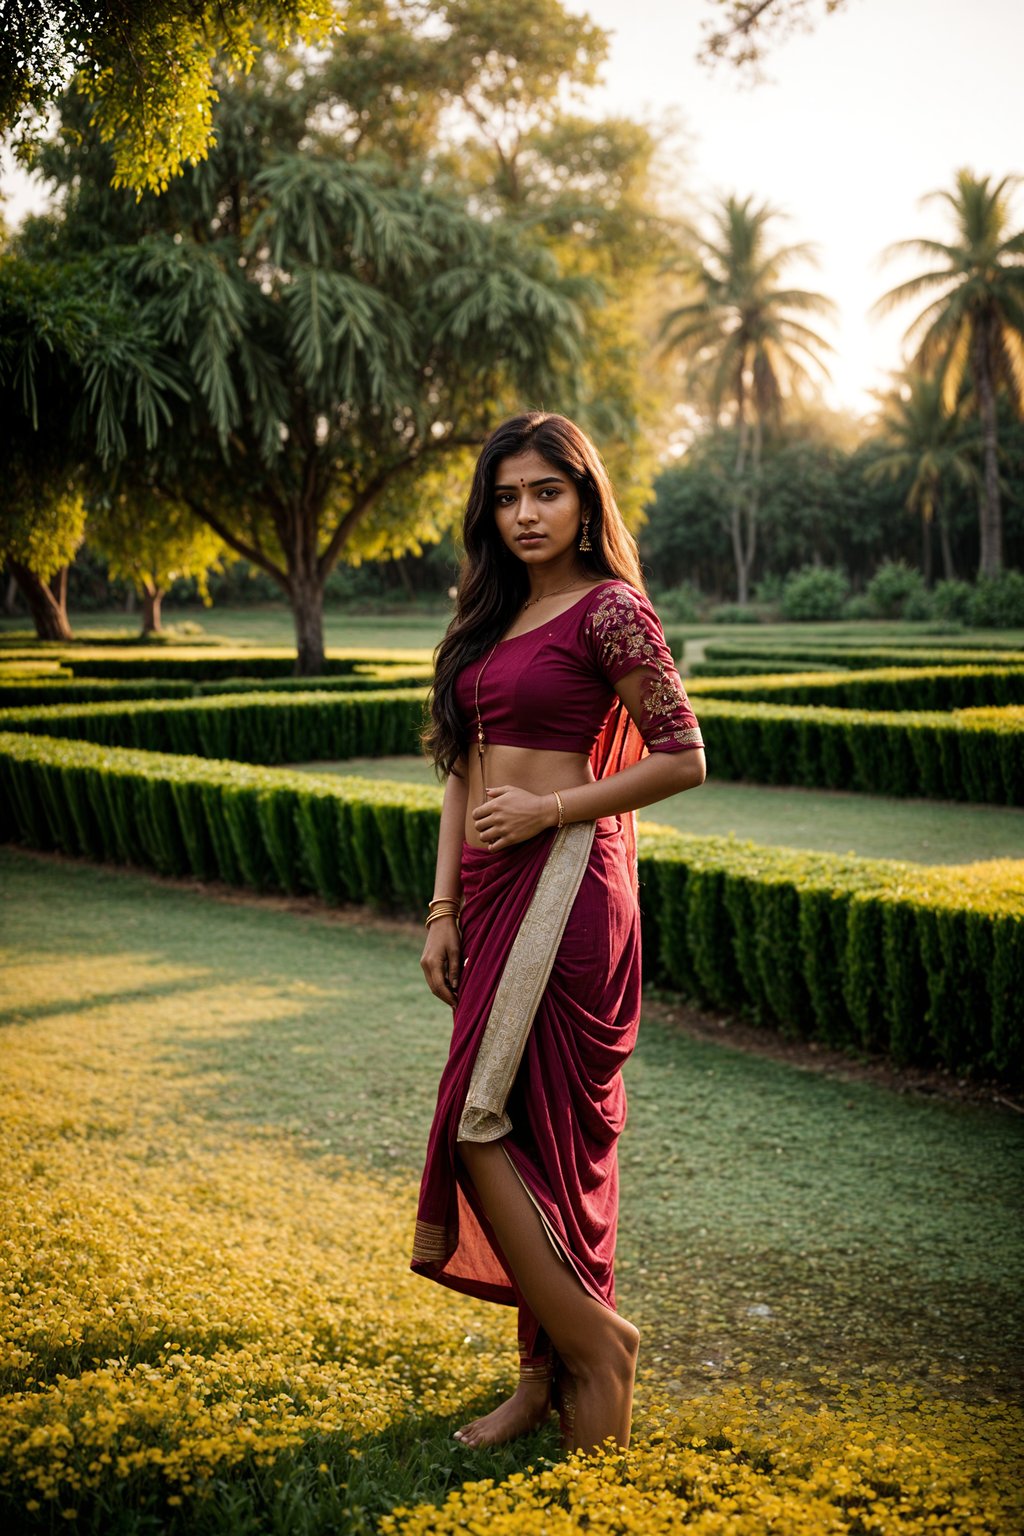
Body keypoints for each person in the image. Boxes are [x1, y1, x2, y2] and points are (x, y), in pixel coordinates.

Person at [412, 411, 706, 1455]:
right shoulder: (488, 613)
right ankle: (541, 1381)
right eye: (507, 495)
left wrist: (551, 811)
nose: (526, 513)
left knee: (481, 1122)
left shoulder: (611, 611)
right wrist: (443, 907)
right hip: (489, 895)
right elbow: (461, 768)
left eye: (547, 491)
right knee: (519, 1129)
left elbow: (681, 756)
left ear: (585, 501)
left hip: (569, 886)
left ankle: (597, 1347)